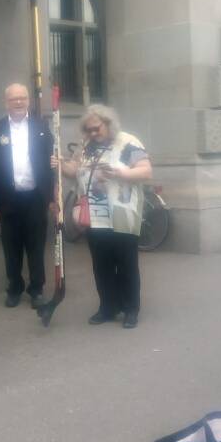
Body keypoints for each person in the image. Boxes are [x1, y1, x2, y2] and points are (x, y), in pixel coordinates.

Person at [60, 104, 152, 328]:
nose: (92, 133)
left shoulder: (127, 142)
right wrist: (60, 163)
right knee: (101, 265)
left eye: (97, 128)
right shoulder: (85, 145)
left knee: (126, 264)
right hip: (94, 216)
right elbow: (74, 171)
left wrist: (121, 172)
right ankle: (108, 307)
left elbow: (146, 171)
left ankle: (130, 309)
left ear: (108, 124)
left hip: (122, 214)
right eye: (88, 130)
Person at [0, 83, 53, 309]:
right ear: (6, 102)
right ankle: (14, 287)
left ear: (28, 101)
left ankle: (37, 289)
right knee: (11, 247)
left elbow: (50, 163)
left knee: (36, 246)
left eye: (22, 98)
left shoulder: (41, 126)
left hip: (35, 198)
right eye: (13, 98)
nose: (18, 102)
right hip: (8, 199)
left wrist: (51, 197)